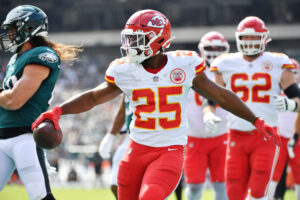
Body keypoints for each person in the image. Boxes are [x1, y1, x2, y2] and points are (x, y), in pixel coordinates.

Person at [32, 10, 280, 200]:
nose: (130, 45)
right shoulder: (125, 69)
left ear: (159, 40)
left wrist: (255, 120)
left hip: (168, 151)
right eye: (129, 39)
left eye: (137, 39)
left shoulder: (184, 65)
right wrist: (59, 110)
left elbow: (222, 96)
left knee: (149, 196)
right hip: (135, 151)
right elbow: (94, 97)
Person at [208, 16, 300, 200]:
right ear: (238, 38)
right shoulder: (225, 63)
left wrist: (291, 104)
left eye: (254, 37)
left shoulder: (278, 62)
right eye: (246, 38)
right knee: (233, 191)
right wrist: (208, 114)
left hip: (265, 135)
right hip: (236, 134)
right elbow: (212, 100)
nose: (249, 42)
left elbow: (297, 98)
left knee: (259, 192)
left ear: (264, 38)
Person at [0, 5, 81, 200]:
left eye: (13, 29)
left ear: (28, 29)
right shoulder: (15, 58)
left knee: (40, 197)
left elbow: (15, 100)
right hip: (2, 137)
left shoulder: (43, 55)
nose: (8, 34)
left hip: (25, 137)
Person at [184, 31, 229, 200]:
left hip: (221, 135)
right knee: (194, 186)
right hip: (194, 136)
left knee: (221, 185)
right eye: (210, 47)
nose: (214, 50)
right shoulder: (190, 71)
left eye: (218, 47)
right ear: (201, 50)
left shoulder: (229, 71)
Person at [267, 58, 300, 200]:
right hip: (277, 137)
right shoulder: (274, 88)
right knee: (272, 173)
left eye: (293, 72)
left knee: (299, 174)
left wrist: (296, 135)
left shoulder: (296, 91)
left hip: (296, 137)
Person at [99, 94, 132, 199]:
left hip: (153, 138)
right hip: (130, 137)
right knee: (115, 184)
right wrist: (110, 136)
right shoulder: (128, 84)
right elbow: (122, 112)